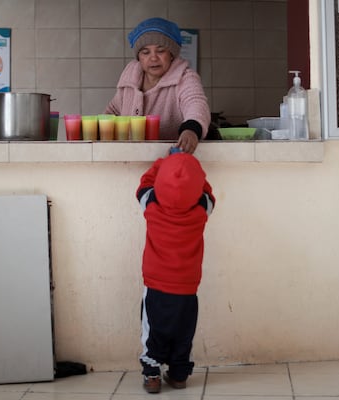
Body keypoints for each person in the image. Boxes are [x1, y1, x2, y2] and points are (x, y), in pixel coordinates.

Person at [135, 148, 215, 393]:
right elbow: (208, 192)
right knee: (184, 332)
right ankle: (179, 375)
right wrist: (189, 167)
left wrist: (164, 163)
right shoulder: (201, 210)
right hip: (188, 286)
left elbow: (143, 185)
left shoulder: (151, 205)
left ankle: (152, 376)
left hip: (156, 284)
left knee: (153, 331)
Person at [105, 17, 211, 154]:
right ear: (139, 57)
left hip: (171, 158)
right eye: (145, 52)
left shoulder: (185, 78)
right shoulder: (130, 79)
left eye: (160, 51)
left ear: (171, 54)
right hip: (131, 158)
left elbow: (196, 104)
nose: (153, 58)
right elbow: (113, 110)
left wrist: (191, 129)